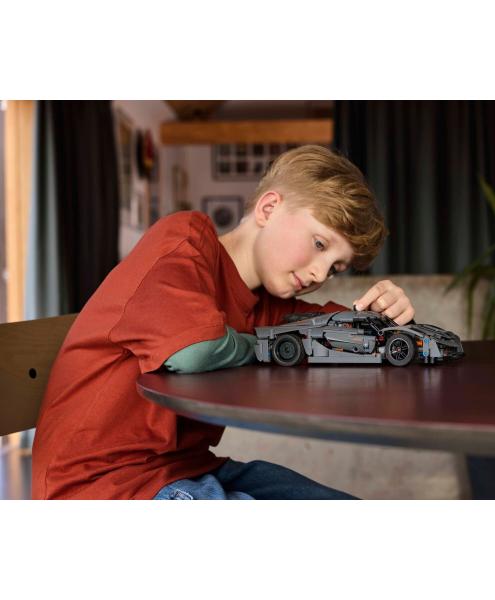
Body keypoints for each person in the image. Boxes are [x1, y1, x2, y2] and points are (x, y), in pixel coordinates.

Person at [31, 145, 415, 500]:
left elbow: (346, 337)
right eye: (319, 244)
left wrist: (387, 316)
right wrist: (267, 345)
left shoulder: (269, 305)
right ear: (268, 208)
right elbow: (193, 353)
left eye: (335, 267)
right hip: (102, 485)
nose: (320, 273)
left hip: (187, 469)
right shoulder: (184, 241)